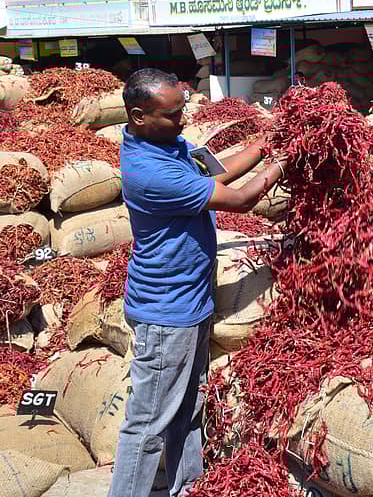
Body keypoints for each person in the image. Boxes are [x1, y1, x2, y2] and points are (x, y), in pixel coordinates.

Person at [109, 69, 286, 497]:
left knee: (187, 407)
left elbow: (218, 173)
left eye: (183, 109)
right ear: (138, 116)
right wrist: (287, 162)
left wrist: (265, 143)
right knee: (149, 424)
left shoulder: (167, 145)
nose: (184, 120)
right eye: (173, 114)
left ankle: (186, 486)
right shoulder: (151, 171)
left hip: (189, 302)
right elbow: (242, 199)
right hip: (167, 312)